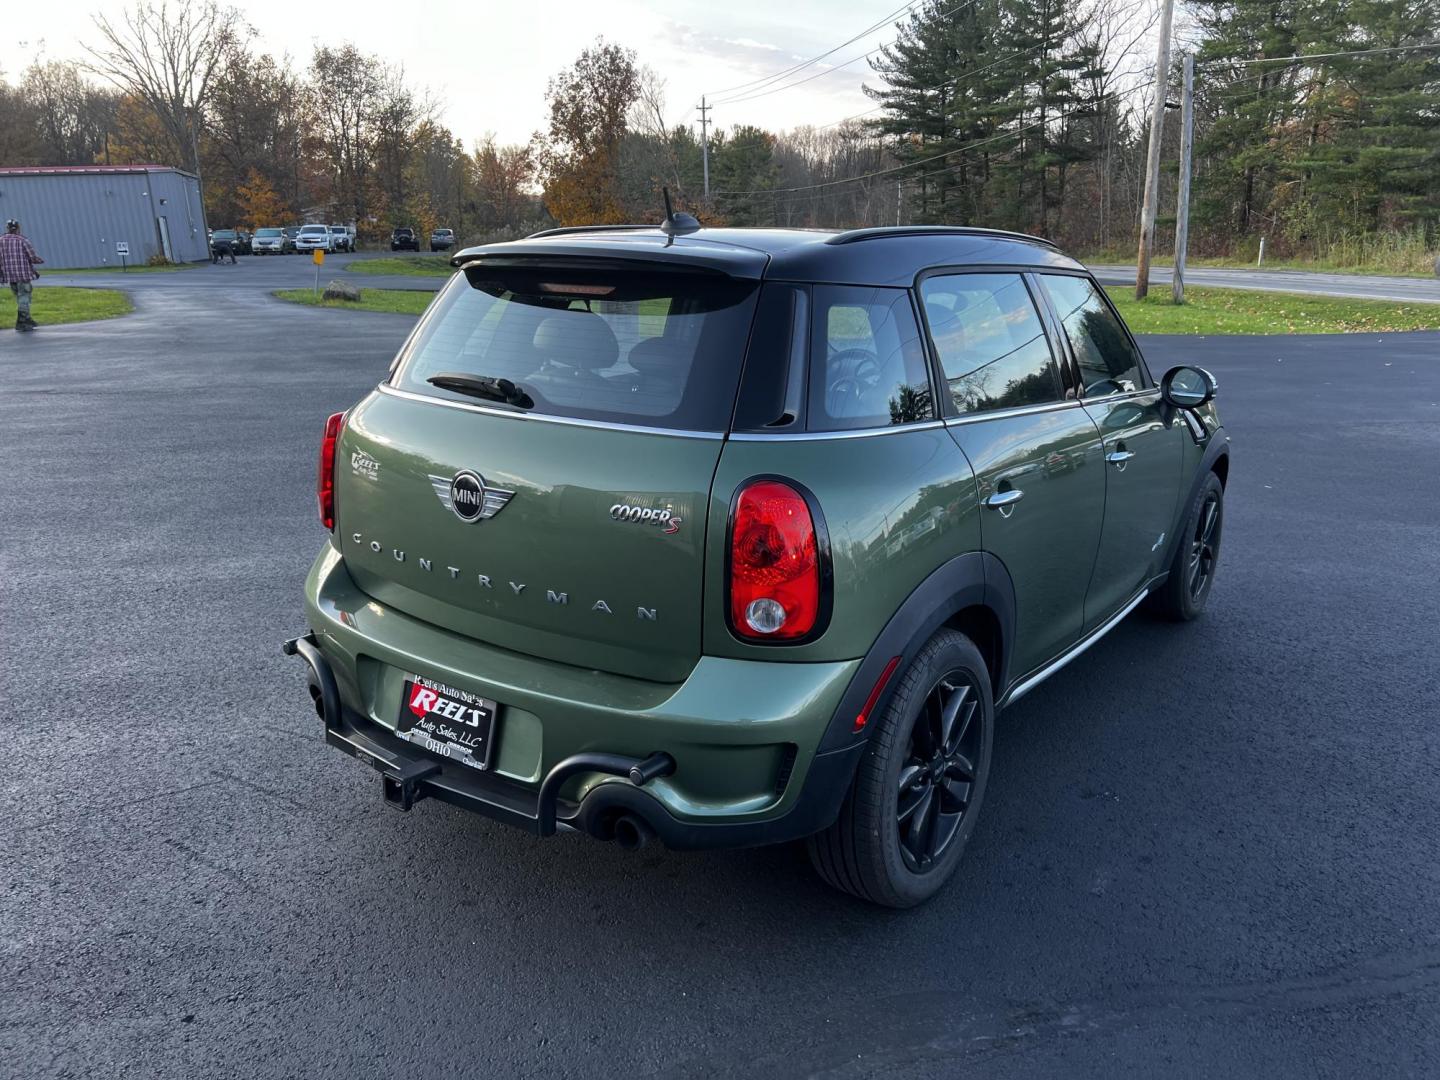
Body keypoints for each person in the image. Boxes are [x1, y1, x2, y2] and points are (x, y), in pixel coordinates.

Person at [1, 218, 43, 332]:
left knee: (20, 298)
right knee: (24, 297)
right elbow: (32, 257)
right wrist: (39, 260)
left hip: (9, 276)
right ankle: (22, 322)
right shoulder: (23, 240)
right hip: (23, 275)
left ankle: (28, 319)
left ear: (7, 228)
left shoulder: (1, 240)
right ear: (18, 228)